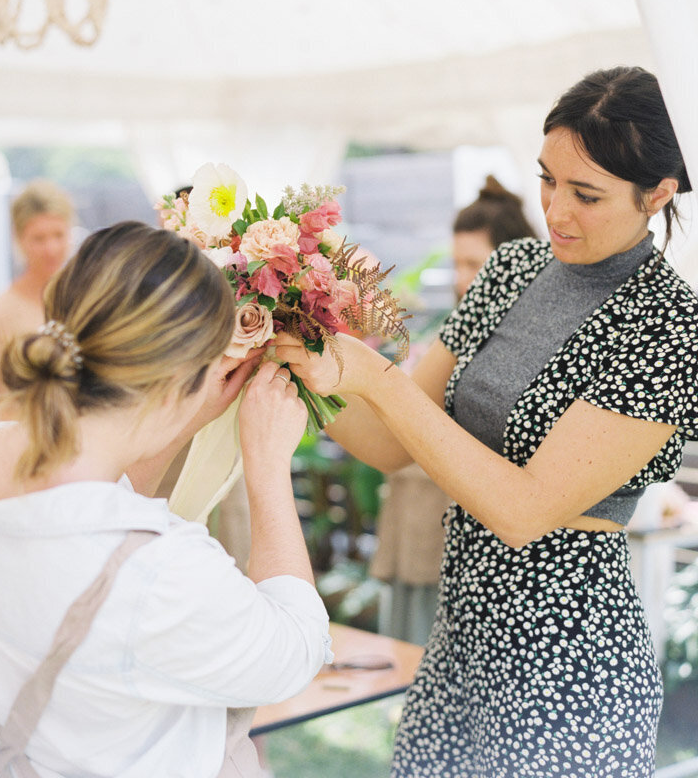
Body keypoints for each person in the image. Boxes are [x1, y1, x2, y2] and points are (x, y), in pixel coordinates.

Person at [277, 66, 698, 778]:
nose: (556, 210)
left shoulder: (669, 327)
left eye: (586, 194)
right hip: (462, 636)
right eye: (548, 180)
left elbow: (523, 510)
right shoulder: (512, 270)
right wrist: (299, 355)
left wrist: (376, 375)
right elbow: (388, 442)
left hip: (568, 661)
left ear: (657, 194)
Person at [0, 221, 330, 778]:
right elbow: (295, 649)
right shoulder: (158, 570)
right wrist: (268, 467)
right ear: (176, 380)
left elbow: (94, 505)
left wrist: (179, 420)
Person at [370, 176, 536, 645]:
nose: (463, 278)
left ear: (513, 262)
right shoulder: (452, 332)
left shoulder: (524, 343)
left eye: (474, 264)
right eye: (456, 263)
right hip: (418, 517)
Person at [0, 179, 75, 430]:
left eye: (58, 235)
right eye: (39, 238)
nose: (51, 248)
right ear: (19, 239)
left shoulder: (89, 303)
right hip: (16, 453)